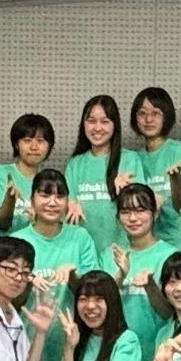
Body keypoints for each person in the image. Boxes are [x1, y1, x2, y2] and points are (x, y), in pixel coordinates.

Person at [14, 167, 100, 361]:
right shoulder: (17, 242)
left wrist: (73, 276)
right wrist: (27, 280)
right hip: (25, 342)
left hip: (70, 343)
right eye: (45, 195)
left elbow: (93, 292)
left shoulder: (80, 237)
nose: (52, 202)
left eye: (60, 196)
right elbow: (7, 299)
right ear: (32, 200)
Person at [109, 182, 173, 361]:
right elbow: (98, 309)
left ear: (154, 213)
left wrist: (150, 286)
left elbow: (170, 313)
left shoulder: (169, 256)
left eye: (140, 210)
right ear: (118, 218)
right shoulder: (110, 255)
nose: (133, 218)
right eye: (126, 212)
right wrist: (120, 276)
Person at [65, 94, 140, 257]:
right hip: (83, 254)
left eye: (105, 121)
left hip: (120, 253)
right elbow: (66, 204)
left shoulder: (130, 160)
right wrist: (70, 205)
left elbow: (141, 208)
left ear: (115, 125)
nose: (97, 128)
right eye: (91, 121)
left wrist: (128, 191)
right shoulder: (75, 164)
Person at [132, 86, 181, 251]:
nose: (148, 119)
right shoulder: (133, 158)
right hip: (146, 245)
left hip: (177, 243)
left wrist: (175, 180)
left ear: (166, 116)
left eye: (156, 113)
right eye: (142, 113)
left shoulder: (179, 151)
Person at [0, 112, 54, 233]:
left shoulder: (50, 181)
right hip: (7, 244)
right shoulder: (1, 174)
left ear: (49, 146)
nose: (34, 147)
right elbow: (0, 225)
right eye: (27, 140)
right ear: (16, 144)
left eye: (40, 141)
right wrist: (9, 202)